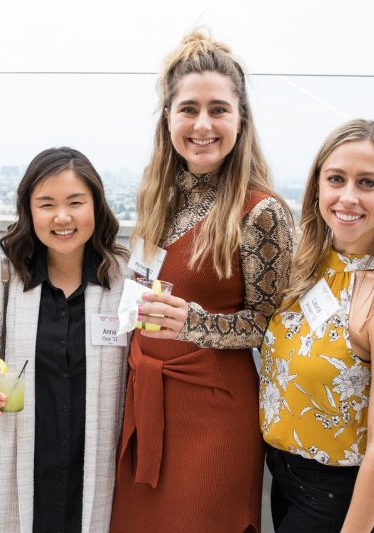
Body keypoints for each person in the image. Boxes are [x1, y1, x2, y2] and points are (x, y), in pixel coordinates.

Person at [110, 31, 294, 532]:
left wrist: (197, 324)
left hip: (214, 414)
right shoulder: (159, 200)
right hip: (145, 404)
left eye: (219, 109)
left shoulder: (262, 213)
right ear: (167, 117)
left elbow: (272, 325)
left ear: (241, 120)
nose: (203, 124)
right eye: (188, 108)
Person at [259, 119, 374, 532]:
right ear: (318, 186)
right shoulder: (307, 269)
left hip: (335, 497)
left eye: (368, 183)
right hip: (283, 477)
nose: (348, 197)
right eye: (336, 179)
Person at [0, 147, 130, 533]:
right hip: (20, 461)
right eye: (46, 204)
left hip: (96, 465)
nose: (62, 217)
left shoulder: (123, 279)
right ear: (29, 210)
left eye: (76, 202)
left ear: (97, 206)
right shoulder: (4, 277)